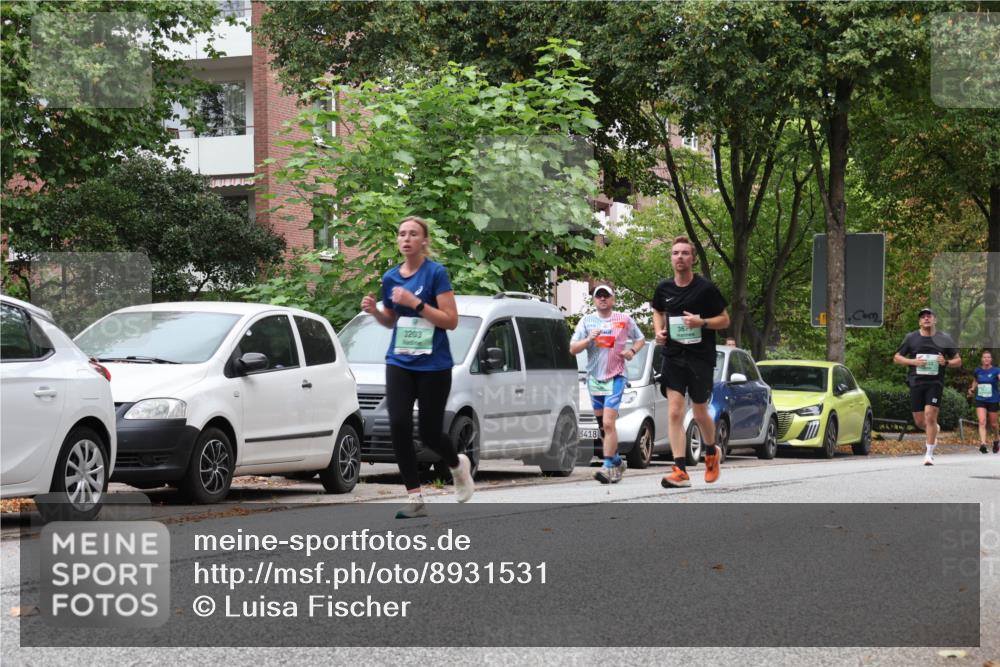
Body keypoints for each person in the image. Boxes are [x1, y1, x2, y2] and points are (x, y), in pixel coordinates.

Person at [361, 216, 474, 518]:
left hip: (433, 365)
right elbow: (391, 320)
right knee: (397, 424)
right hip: (399, 360)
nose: (406, 239)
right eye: (401, 234)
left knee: (429, 432)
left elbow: (451, 320)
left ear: (424, 241)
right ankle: (415, 498)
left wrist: (416, 303)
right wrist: (375, 312)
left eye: (413, 234)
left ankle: (457, 465)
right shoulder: (390, 278)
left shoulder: (436, 273)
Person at [651, 236, 730, 488]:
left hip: (700, 358)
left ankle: (710, 452)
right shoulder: (663, 288)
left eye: (685, 253)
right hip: (673, 356)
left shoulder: (705, 289)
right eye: (676, 253)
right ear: (671, 258)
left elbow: (725, 320)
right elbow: (657, 310)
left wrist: (702, 323)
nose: (680, 257)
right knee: (674, 410)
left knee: (698, 410)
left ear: (692, 257)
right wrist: (659, 331)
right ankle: (680, 470)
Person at [570, 284, 645, 484]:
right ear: (594, 300)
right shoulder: (587, 321)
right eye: (598, 296)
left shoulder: (624, 319)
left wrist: (631, 352)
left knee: (608, 423)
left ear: (613, 299)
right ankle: (617, 461)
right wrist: (588, 339)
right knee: (603, 427)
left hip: (617, 376)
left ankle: (608, 466)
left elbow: (640, 339)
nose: (602, 299)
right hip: (595, 378)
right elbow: (573, 349)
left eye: (606, 296)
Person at [893, 307, 961, 466]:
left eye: (929, 316)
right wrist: (913, 362)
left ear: (935, 320)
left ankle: (929, 454)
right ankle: (934, 429)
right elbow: (896, 358)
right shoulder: (911, 338)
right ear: (919, 321)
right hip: (916, 382)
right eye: (923, 317)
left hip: (935, 383)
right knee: (919, 421)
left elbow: (958, 361)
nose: (926, 319)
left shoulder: (944, 339)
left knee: (930, 415)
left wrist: (947, 362)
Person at [968, 349, 1000, 454]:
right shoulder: (978, 371)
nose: (986, 359)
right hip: (980, 399)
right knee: (982, 421)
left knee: (994, 424)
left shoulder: (996, 370)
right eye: (984, 357)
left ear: (991, 359)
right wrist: (972, 389)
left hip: (993, 400)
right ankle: (983, 444)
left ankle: (996, 439)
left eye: (988, 357)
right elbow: (975, 381)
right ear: (981, 359)